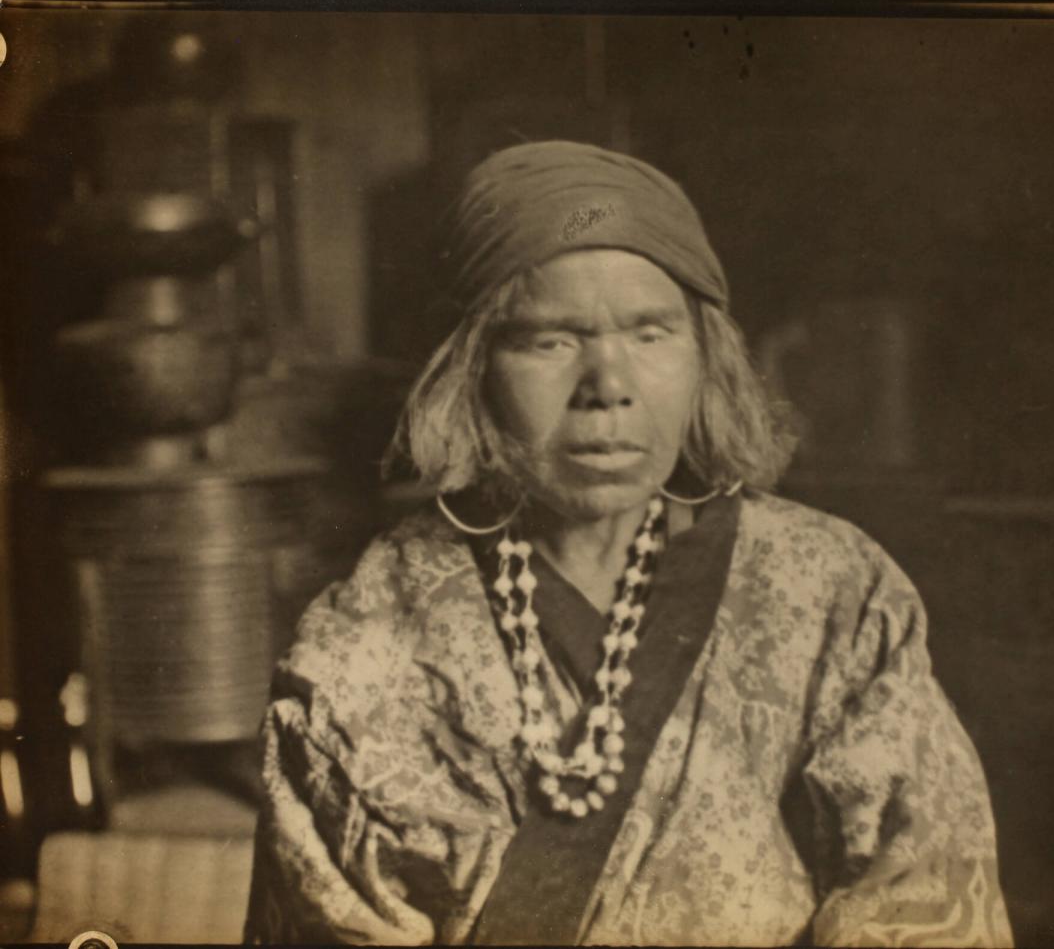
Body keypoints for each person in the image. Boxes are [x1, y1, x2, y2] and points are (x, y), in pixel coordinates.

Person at [243, 140, 1013, 947]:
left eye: (651, 334)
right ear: (469, 371)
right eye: (549, 339)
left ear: (704, 357)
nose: (608, 385)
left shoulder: (828, 590)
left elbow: (925, 893)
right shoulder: (367, 641)